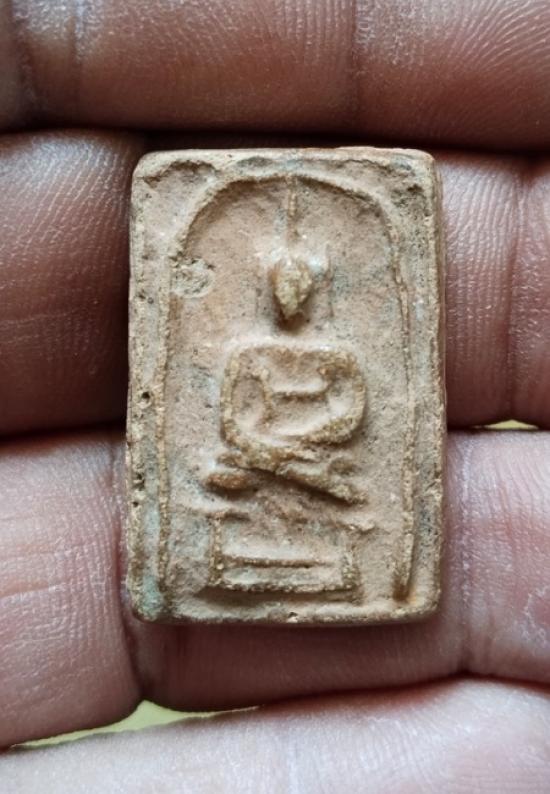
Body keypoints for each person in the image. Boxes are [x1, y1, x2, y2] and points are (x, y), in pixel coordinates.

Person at [1, 1, 550, 789]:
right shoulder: (250, 353)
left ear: (315, 290)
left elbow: (353, 416)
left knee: (320, 487)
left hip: (315, 471)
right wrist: (284, 459)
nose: (290, 300)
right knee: (234, 479)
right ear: (272, 289)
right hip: (270, 471)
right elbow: (233, 421)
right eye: (281, 288)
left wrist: (297, 455)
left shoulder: (337, 356)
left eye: (302, 289)